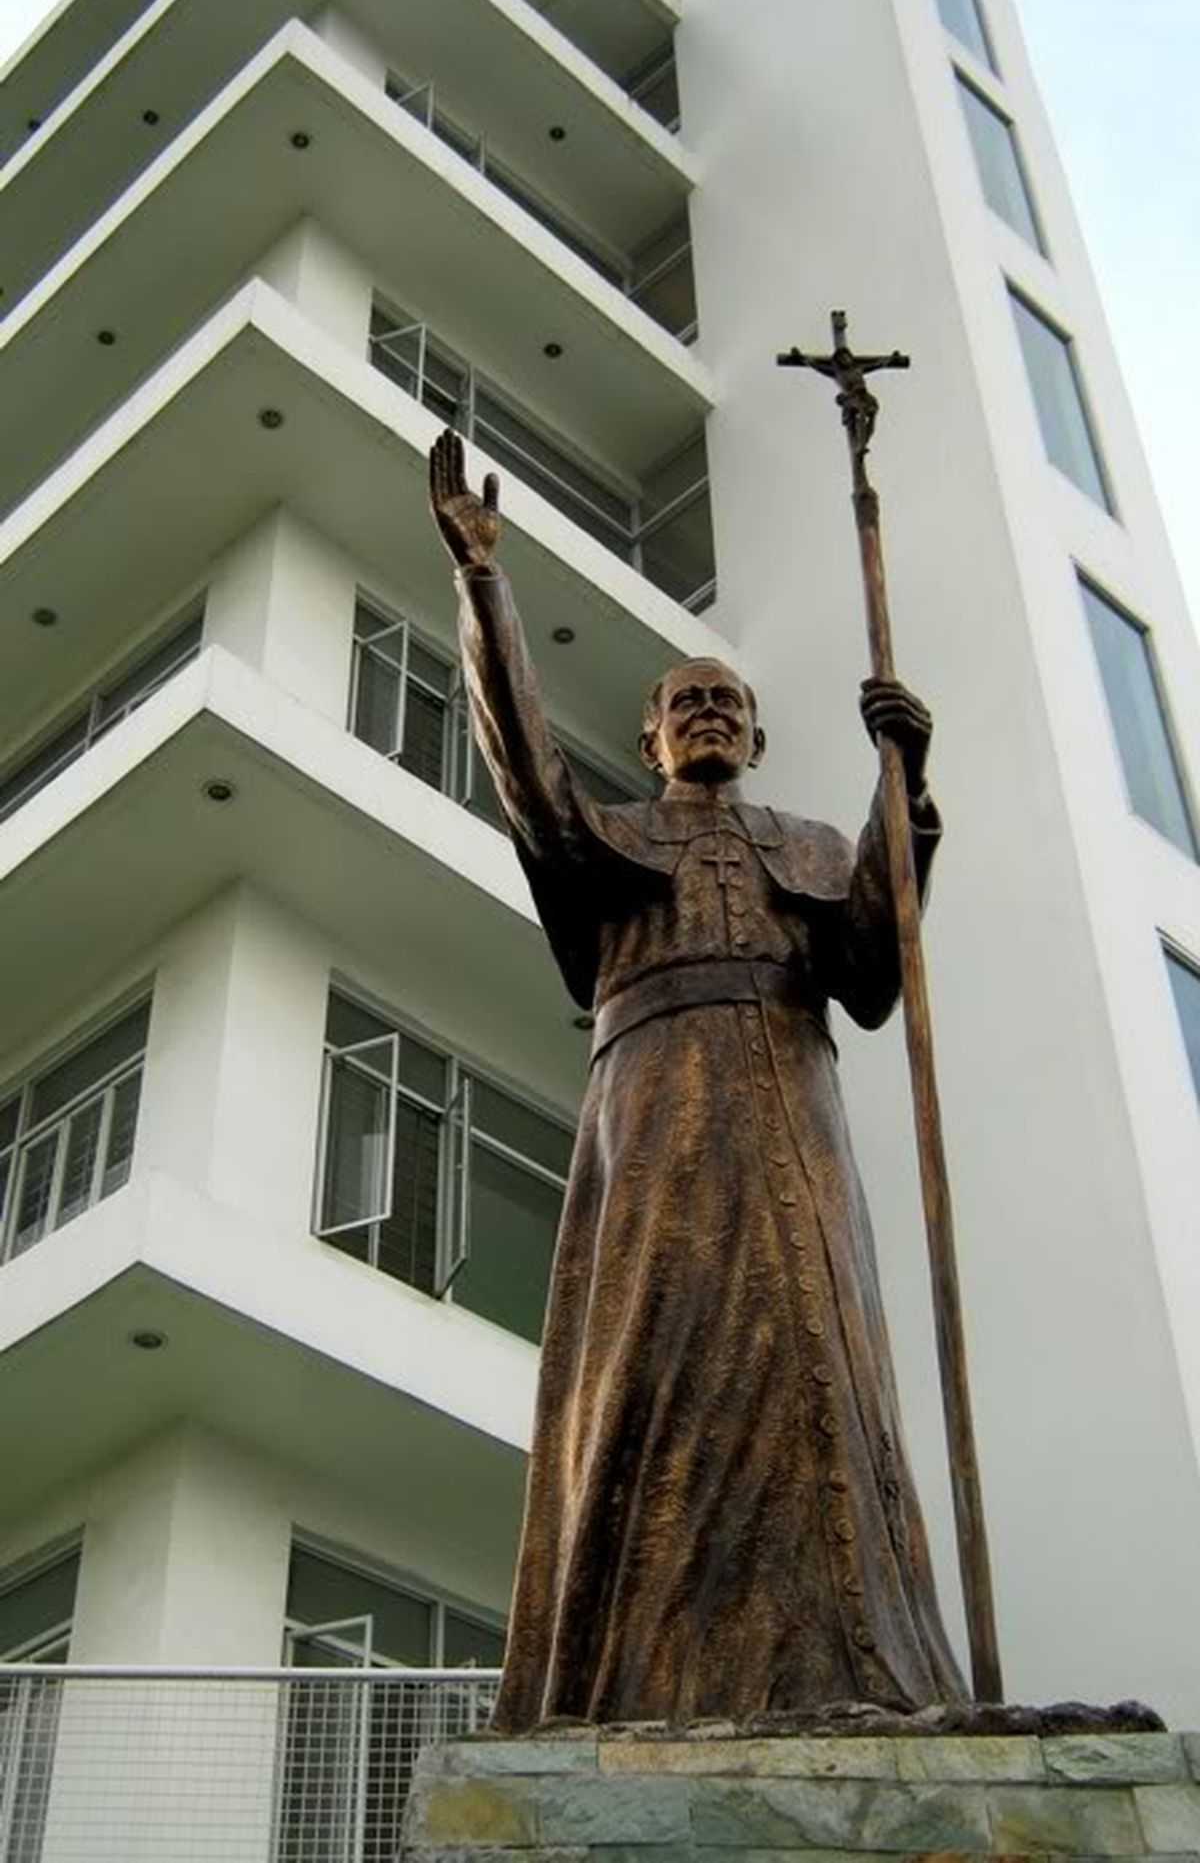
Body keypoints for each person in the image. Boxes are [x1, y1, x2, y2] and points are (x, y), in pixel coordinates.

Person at [428, 428, 966, 1728]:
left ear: (761, 733)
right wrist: (486, 590)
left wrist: (911, 788)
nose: (709, 713)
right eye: (687, 703)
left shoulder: (813, 842)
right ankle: (631, 1678)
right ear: (653, 735)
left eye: (729, 701)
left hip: (792, 1108)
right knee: (652, 1372)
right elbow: (527, 779)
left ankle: (850, 1667)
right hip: (657, 1107)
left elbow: (873, 968)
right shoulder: (607, 839)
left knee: (814, 1371)